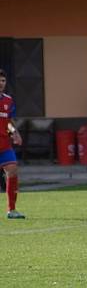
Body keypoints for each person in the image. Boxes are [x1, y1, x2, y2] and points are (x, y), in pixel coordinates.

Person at [0, 69, 24, 219]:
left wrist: (15, 133)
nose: (0, 83)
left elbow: (8, 122)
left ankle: (12, 210)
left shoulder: (8, 100)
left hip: (4, 144)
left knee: (13, 170)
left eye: (2, 81)